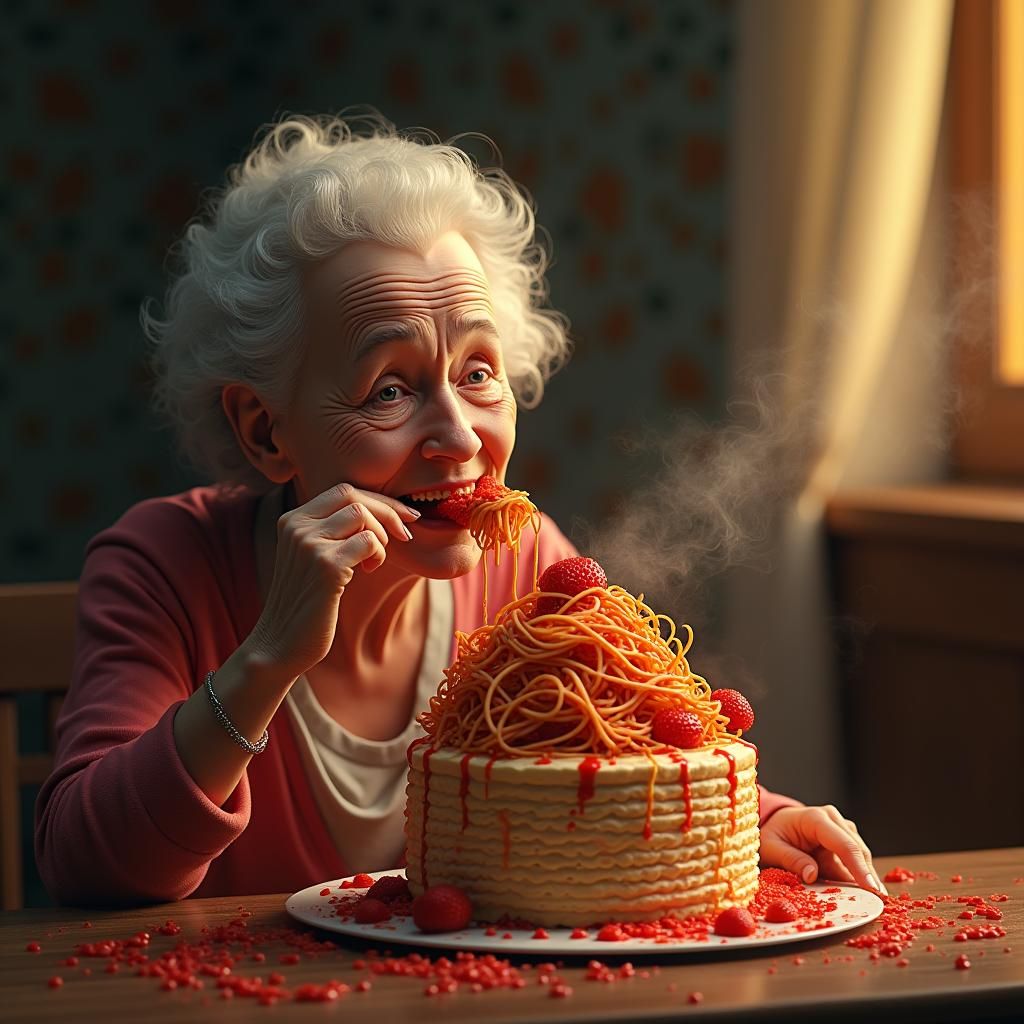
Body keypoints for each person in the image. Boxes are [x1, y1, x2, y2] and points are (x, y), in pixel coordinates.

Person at [34, 111, 886, 906]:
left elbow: (644, 734)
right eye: (391, 387)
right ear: (265, 430)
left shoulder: (525, 564)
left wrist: (762, 815)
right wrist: (267, 657)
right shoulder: (162, 565)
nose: (460, 436)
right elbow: (84, 864)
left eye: (478, 373)